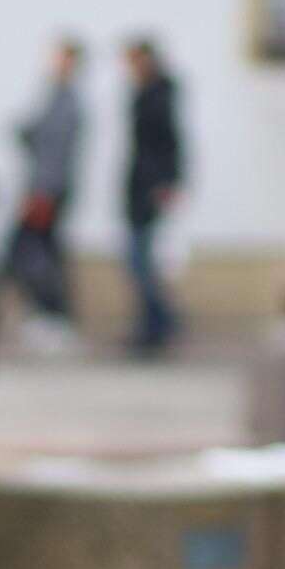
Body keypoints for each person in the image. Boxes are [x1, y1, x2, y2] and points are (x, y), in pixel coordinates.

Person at [6, 35, 89, 340]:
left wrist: (42, 192)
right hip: (44, 188)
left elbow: (55, 150)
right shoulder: (53, 96)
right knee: (39, 251)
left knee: (32, 253)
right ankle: (49, 313)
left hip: (48, 191)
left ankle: (53, 314)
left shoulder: (68, 102)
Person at [118, 35, 185, 357]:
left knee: (140, 260)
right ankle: (159, 322)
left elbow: (170, 141)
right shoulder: (146, 94)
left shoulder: (157, 97)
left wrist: (167, 183)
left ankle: (158, 324)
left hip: (148, 188)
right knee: (139, 260)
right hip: (140, 187)